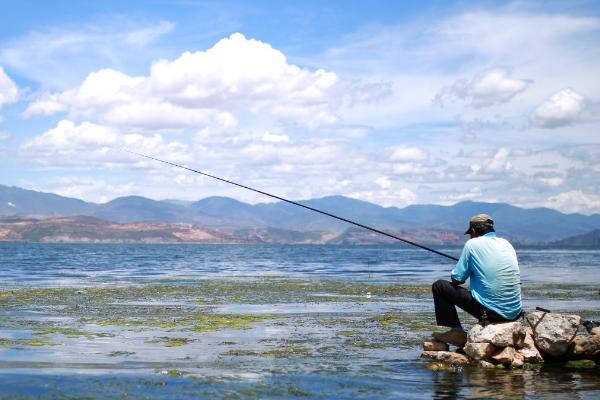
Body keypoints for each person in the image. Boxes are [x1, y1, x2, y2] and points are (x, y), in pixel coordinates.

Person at [431, 214, 522, 346]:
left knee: (439, 286)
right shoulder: (507, 244)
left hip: (491, 313)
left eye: (470, 233)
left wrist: (466, 271)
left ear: (473, 231)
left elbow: (457, 278)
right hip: (515, 313)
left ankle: (456, 331)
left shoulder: (472, 244)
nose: (470, 236)